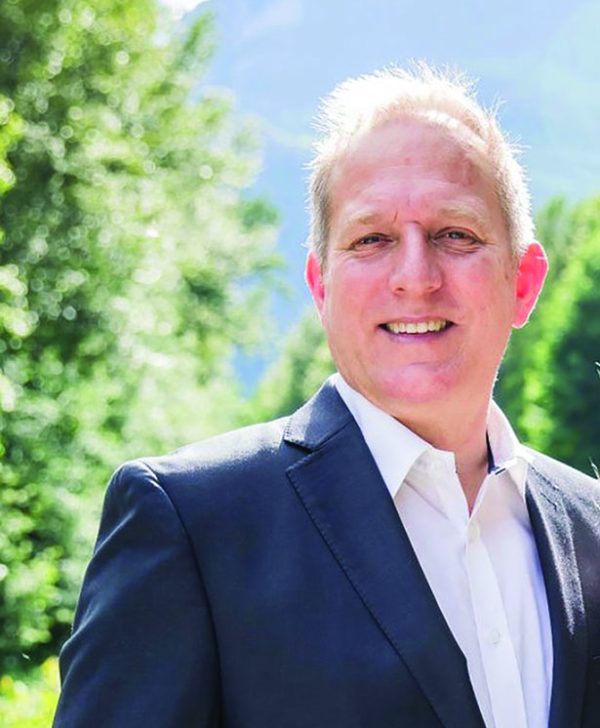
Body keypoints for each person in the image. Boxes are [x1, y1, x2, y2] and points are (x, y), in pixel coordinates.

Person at [53, 64, 600, 728]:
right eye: (371, 240)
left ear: (523, 282)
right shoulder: (191, 526)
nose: (414, 277)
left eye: (455, 235)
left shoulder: (591, 528)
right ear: (321, 286)